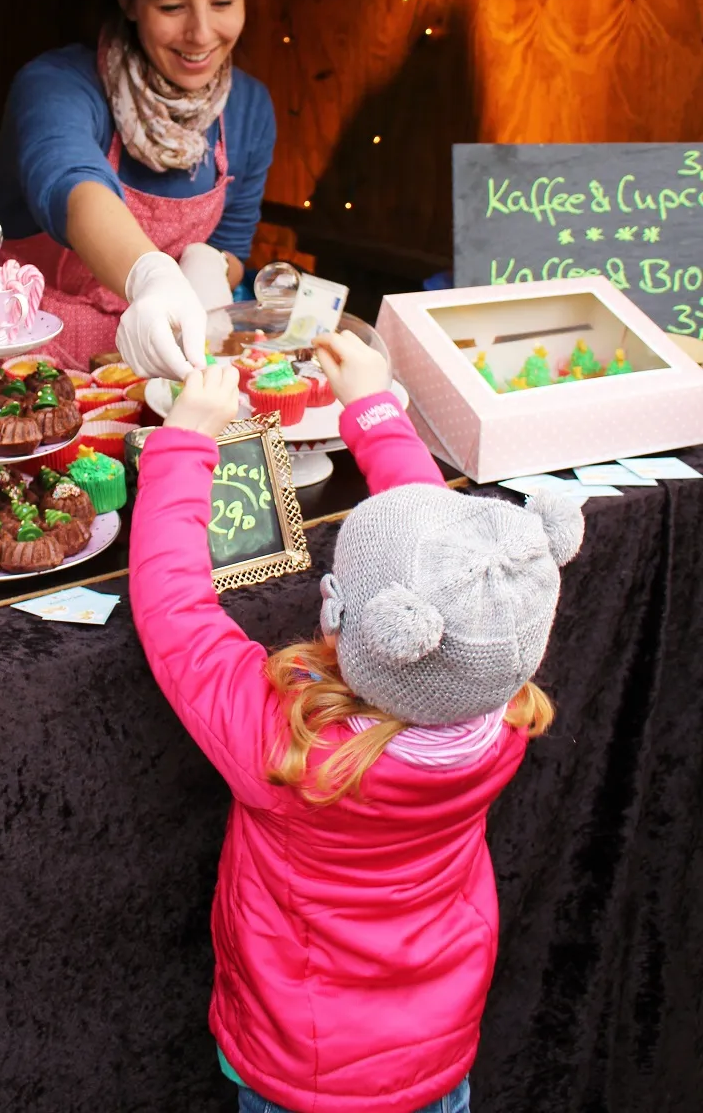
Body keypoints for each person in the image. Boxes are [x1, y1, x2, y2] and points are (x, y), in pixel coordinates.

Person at [128, 336, 585, 1113]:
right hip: (437, 1056)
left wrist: (184, 443)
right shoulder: (503, 708)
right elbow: (438, 553)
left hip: (299, 1068)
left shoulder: (286, 749)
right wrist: (373, 408)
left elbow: (174, 609)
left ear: (346, 625)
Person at [0, 0, 276, 377]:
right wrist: (153, 277)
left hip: (163, 377)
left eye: (223, 3)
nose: (201, 33)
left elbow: (232, 249)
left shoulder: (247, 108)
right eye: (171, 7)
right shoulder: (56, 85)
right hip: (26, 374)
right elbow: (74, 187)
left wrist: (206, 269)